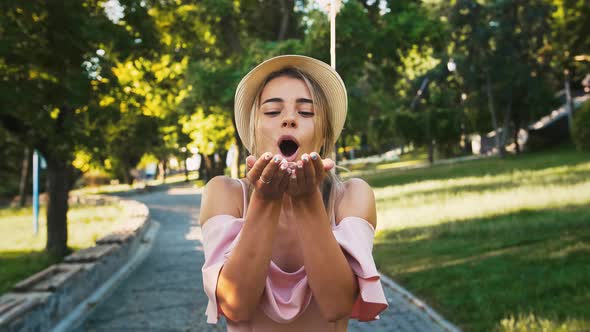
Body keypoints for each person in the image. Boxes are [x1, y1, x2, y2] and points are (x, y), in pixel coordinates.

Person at [199, 55, 388, 331]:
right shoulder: (224, 193)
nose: (289, 119)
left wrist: (306, 201)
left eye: (306, 112)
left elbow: (337, 305)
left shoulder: (352, 196)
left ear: (324, 134)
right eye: (273, 112)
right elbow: (235, 305)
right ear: (254, 130)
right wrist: (264, 201)